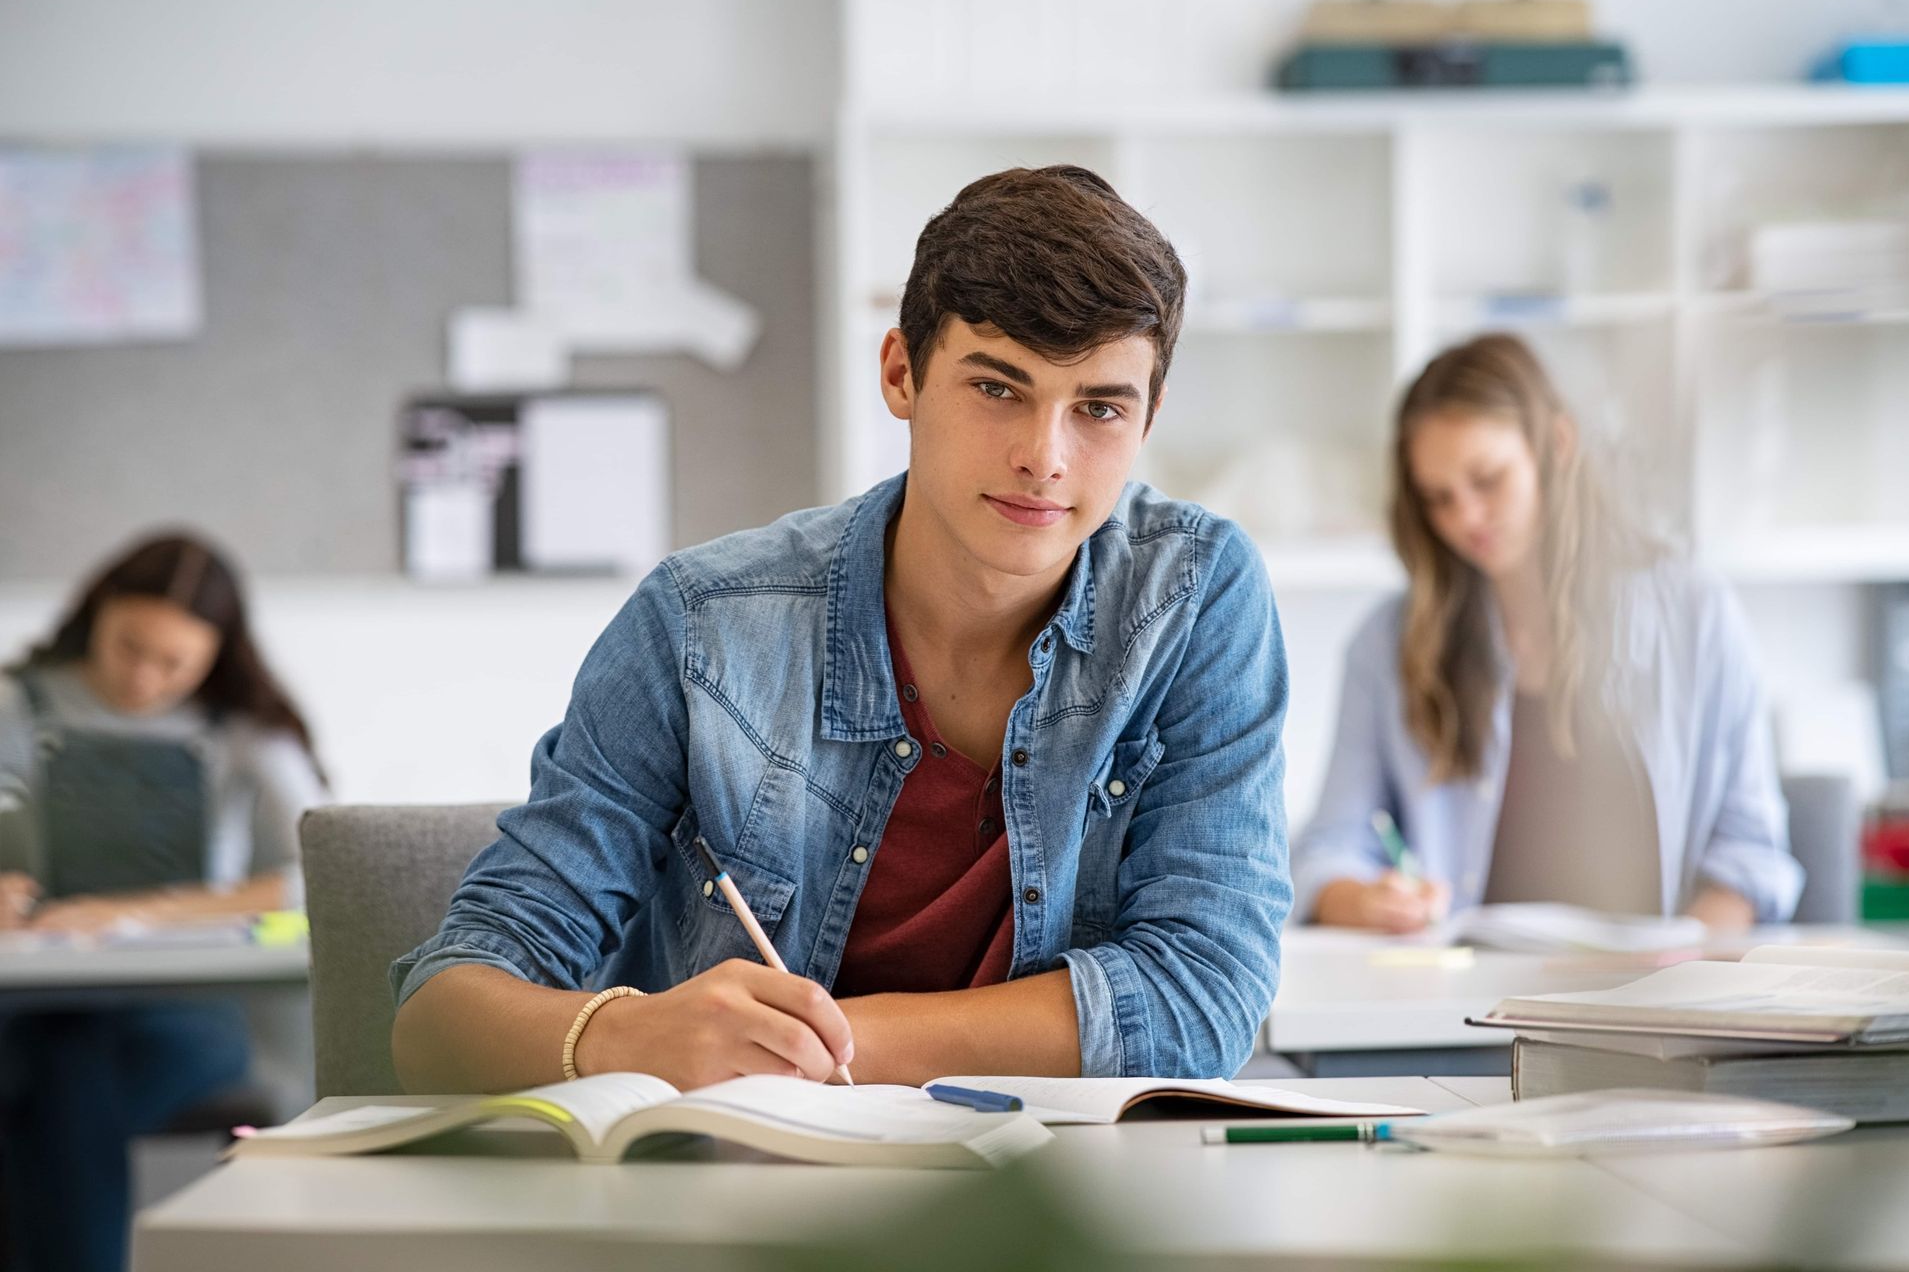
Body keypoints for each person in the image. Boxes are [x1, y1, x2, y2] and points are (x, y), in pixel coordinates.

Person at [391, 165, 1291, 1095]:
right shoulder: (702, 628)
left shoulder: (1192, 596)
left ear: (1148, 417)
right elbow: (438, 1015)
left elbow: (1204, 999)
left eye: (1100, 408)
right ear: (901, 373)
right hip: (755, 1200)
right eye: (997, 389)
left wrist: (812, 1050)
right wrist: (632, 1038)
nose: (1044, 458)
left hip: (1061, 1200)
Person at [1293, 333, 1801, 935]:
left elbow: (1749, 857)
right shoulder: (1388, 642)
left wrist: (1677, 979)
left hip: (1653, 1007)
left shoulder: (1697, 614)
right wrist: (1366, 899)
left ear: (1557, 445)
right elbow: (1328, 849)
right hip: (1462, 1010)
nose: (1466, 519)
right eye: (1438, 499)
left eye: (1488, 480)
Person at [0, 532, 328, 1272]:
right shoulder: (17, 703)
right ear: (97, 617)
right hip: (30, 999)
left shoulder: (242, 728)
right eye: (129, 648)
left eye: (173, 663)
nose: (145, 679)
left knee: (66, 1082)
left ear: (217, 655)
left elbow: (321, 866)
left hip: (184, 1011)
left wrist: (139, 912)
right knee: (56, 1070)